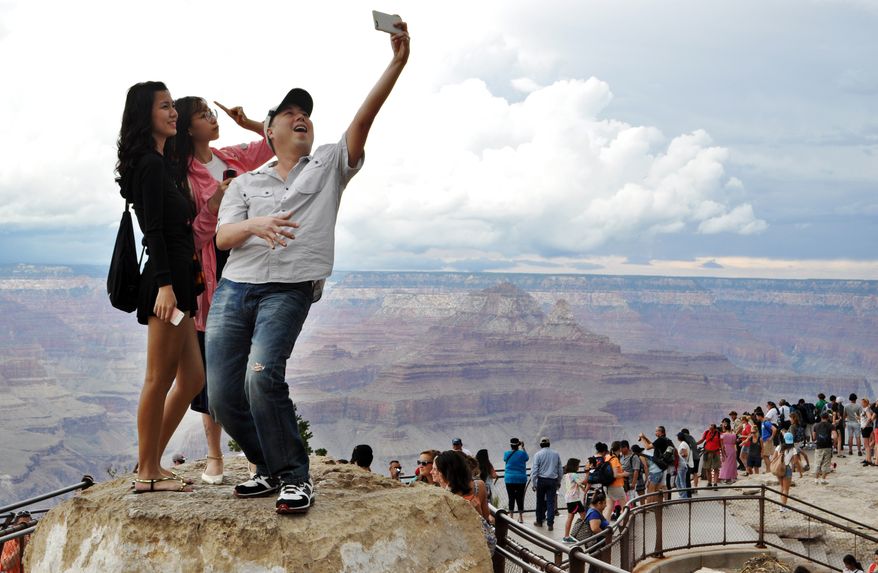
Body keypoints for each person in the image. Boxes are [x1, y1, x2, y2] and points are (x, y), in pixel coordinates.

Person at [206, 21, 410, 515]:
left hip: (288, 289)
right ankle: (266, 466)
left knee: (261, 377)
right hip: (236, 288)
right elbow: (221, 237)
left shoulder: (328, 166)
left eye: (307, 115)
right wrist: (257, 224)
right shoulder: (246, 184)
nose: (302, 118)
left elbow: (364, 119)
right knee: (221, 395)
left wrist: (397, 62)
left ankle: (295, 477)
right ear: (270, 129)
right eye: (291, 114)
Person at [171, 96, 275, 485]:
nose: (213, 120)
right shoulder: (182, 172)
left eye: (212, 114)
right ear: (187, 126)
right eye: (204, 115)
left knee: (248, 370)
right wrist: (215, 202)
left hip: (245, 270)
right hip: (207, 281)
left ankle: (255, 454)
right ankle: (214, 455)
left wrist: (247, 121)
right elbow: (191, 236)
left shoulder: (229, 157)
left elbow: (272, 142)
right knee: (211, 373)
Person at [116, 81, 204, 493]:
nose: (173, 113)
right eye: (165, 107)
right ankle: (148, 471)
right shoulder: (150, 167)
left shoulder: (160, 161)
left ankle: (149, 460)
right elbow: (154, 230)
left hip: (180, 282)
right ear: (144, 114)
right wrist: (166, 288)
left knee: (192, 379)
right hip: (165, 283)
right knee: (158, 378)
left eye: (174, 106)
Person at [531, 436, 563, 531]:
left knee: (540, 502)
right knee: (550, 502)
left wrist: (534, 483)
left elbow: (534, 470)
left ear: (541, 444)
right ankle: (550, 524)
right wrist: (558, 481)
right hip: (552, 481)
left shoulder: (538, 454)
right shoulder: (556, 454)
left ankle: (539, 521)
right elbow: (560, 469)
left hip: (541, 480)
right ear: (549, 444)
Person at [638, 427, 672, 503]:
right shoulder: (664, 439)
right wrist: (645, 437)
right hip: (662, 467)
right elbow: (653, 444)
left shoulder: (661, 440)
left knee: (651, 489)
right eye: (655, 430)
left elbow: (647, 447)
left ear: (662, 432)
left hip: (657, 468)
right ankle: (656, 505)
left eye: (657, 431)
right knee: (657, 489)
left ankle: (650, 506)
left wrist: (642, 438)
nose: (656, 432)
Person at [770, 432, 801, 512]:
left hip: (778, 468)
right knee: (786, 489)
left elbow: (773, 458)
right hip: (787, 469)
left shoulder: (778, 447)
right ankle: (783, 507)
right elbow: (795, 461)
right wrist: (800, 472)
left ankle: (782, 504)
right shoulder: (793, 449)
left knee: (782, 487)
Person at [596, 442, 626, 520]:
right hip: (616, 486)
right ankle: (623, 525)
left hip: (607, 486)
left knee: (609, 507)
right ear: (620, 449)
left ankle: (606, 527)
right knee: (625, 507)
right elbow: (615, 475)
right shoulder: (615, 459)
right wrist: (625, 474)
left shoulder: (607, 457)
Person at [560, 458, 587, 543]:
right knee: (583, 516)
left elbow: (577, 485)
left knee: (572, 517)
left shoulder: (567, 475)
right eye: (578, 465)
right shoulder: (574, 475)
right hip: (574, 499)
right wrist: (588, 474)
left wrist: (583, 489)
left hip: (570, 498)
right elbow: (582, 483)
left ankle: (567, 536)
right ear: (574, 466)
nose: (579, 467)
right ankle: (586, 533)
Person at [503, 438, 528, 523]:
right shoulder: (522, 454)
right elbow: (527, 458)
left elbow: (505, 460)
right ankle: (521, 517)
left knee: (511, 497)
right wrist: (523, 447)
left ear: (511, 445)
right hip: (521, 479)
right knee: (520, 497)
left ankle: (511, 517)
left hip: (509, 479)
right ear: (518, 445)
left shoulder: (506, 454)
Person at [697, 423, 722, 487]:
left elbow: (721, 444)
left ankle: (715, 483)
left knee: (716, 468)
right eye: (710, 429)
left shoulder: (718, 434)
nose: (711, 430)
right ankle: (709, 482)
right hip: (707, 453)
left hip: (716, 453)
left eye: (712, 429)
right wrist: (695, 443)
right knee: (707, 468)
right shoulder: (706, 432)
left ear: (715, 429)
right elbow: (702, 440)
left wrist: (723, 453)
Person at [812, 411, 834, 484]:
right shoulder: (831, 426)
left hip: (819, 446)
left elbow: (814, 437)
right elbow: (835, 436)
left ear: (821, 417)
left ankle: (816, 479)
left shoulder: (816, 426)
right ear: (827, 417)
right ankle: (823, 479)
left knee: (817, 462)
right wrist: (834, 442)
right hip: (828, 446)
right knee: (826, 463)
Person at [718, 419, 738, 483]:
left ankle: (726, 478)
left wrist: (723, 452)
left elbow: (721, 445)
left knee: (725, 464)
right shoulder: (734, 435)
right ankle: (731, 477)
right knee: (732, 464)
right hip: (732, 449)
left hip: (726, 449)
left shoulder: (722, 435)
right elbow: (735, 442)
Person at [675, 432, 694, 498]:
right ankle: (682, 495)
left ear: (679, 437)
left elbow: (685, 454)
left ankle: (684, 497)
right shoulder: (685, 443)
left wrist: (678, 455)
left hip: (682, 466)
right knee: (677, 482)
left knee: (682, 482)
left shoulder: (683, 444)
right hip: (682, 465)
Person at [859, 397, 875, 467]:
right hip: (867, 427)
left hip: (866, 428)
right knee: (866, 445)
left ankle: (869, 460)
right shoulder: (866, 409)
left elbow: (869, 418)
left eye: (862, 402)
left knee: (866, 445)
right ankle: (867, 459)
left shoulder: (867, 409)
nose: (861, 403)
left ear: (865, 403)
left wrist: (865, 425)